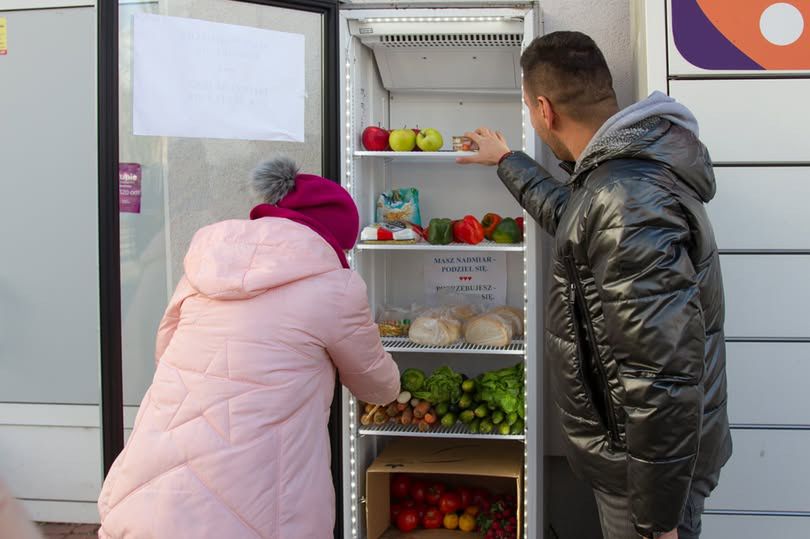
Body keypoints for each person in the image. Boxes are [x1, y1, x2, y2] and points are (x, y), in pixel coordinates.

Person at [458, 31, 731, 539]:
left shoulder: (625, 199)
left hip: (646, 475)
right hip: (646, 460)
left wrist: (659, 519)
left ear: (544, 109)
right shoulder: (621, 180)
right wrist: (506, 161)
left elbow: (661, 375)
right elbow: (574, 219)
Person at [97, 157, 401, 538]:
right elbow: (377, 385)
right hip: (259, 501)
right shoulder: (334, 287)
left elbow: (165, 348)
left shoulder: (204, 266)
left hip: (152, 486)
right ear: (332, 237)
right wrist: (394, 386)